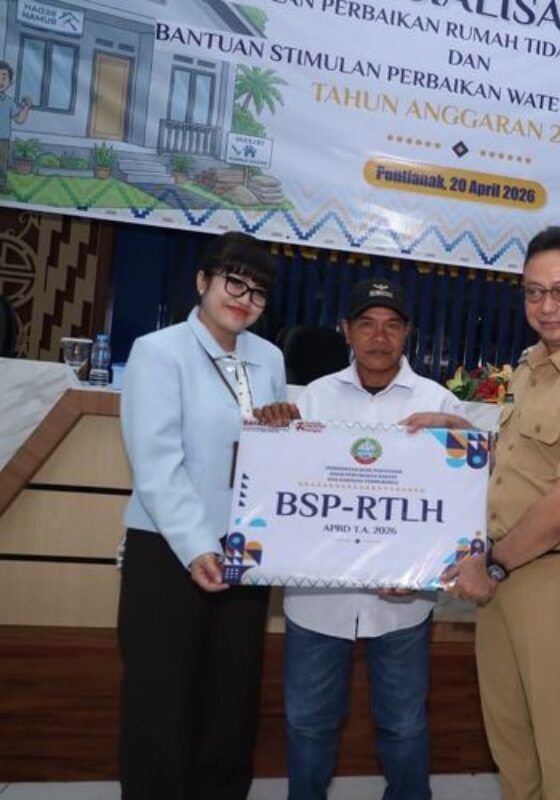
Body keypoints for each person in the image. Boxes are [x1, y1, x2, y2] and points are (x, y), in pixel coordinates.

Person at [255, 278, 471, 800]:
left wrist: (459, 432)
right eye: (367, 325)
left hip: (402, 603)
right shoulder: (316, 396)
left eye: (392, 325)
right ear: (346, 331)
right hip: (317, 602)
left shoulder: (437, 400)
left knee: (403, 727)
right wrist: (274, 428)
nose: (380, 338)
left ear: (408, 334)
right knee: (308, 724)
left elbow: (463, 497)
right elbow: (284, 490)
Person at [444, 225, 560, 799]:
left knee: (559, 745)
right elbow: (519, 462)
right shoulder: (530, 366)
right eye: (534, 292)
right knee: (511, 738)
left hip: (554, 576)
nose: (547, 306)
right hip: (505, 570)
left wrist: (493, 566)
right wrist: (453, 436)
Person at [118, 231, 286, 799]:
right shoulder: (158, 351)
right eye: (233, 282)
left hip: (243, 553)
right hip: (168, 551)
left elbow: (271, 457)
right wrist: (196, 547)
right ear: (203, 282)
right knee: (159, 704)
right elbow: (157, 464)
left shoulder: (270, 358)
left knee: (229, 704)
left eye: (258, 291)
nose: (243, 298)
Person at [0, 60, 30, 195]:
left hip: (3, 140)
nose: (0, 80)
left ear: (10, 83)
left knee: (1, 164)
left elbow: (19, 119)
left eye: (4, 77)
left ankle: (1, 185)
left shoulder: (9, 101)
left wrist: (25, 108)